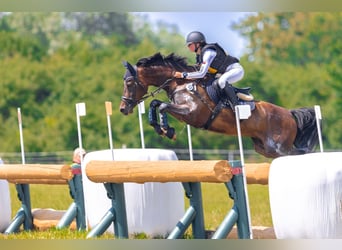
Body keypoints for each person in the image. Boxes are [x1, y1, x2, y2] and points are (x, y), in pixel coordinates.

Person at [174, 31, 244, 111]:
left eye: (190, 44)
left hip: (235, 70)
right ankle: (224, 103)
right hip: (224, 73)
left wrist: (184, 75)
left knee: (221, 82)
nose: (188, 47)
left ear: (198, 44)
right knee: (213, 84)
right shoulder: (199, 56)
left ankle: (237, 106)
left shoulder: (208, 53)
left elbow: (201, 73)